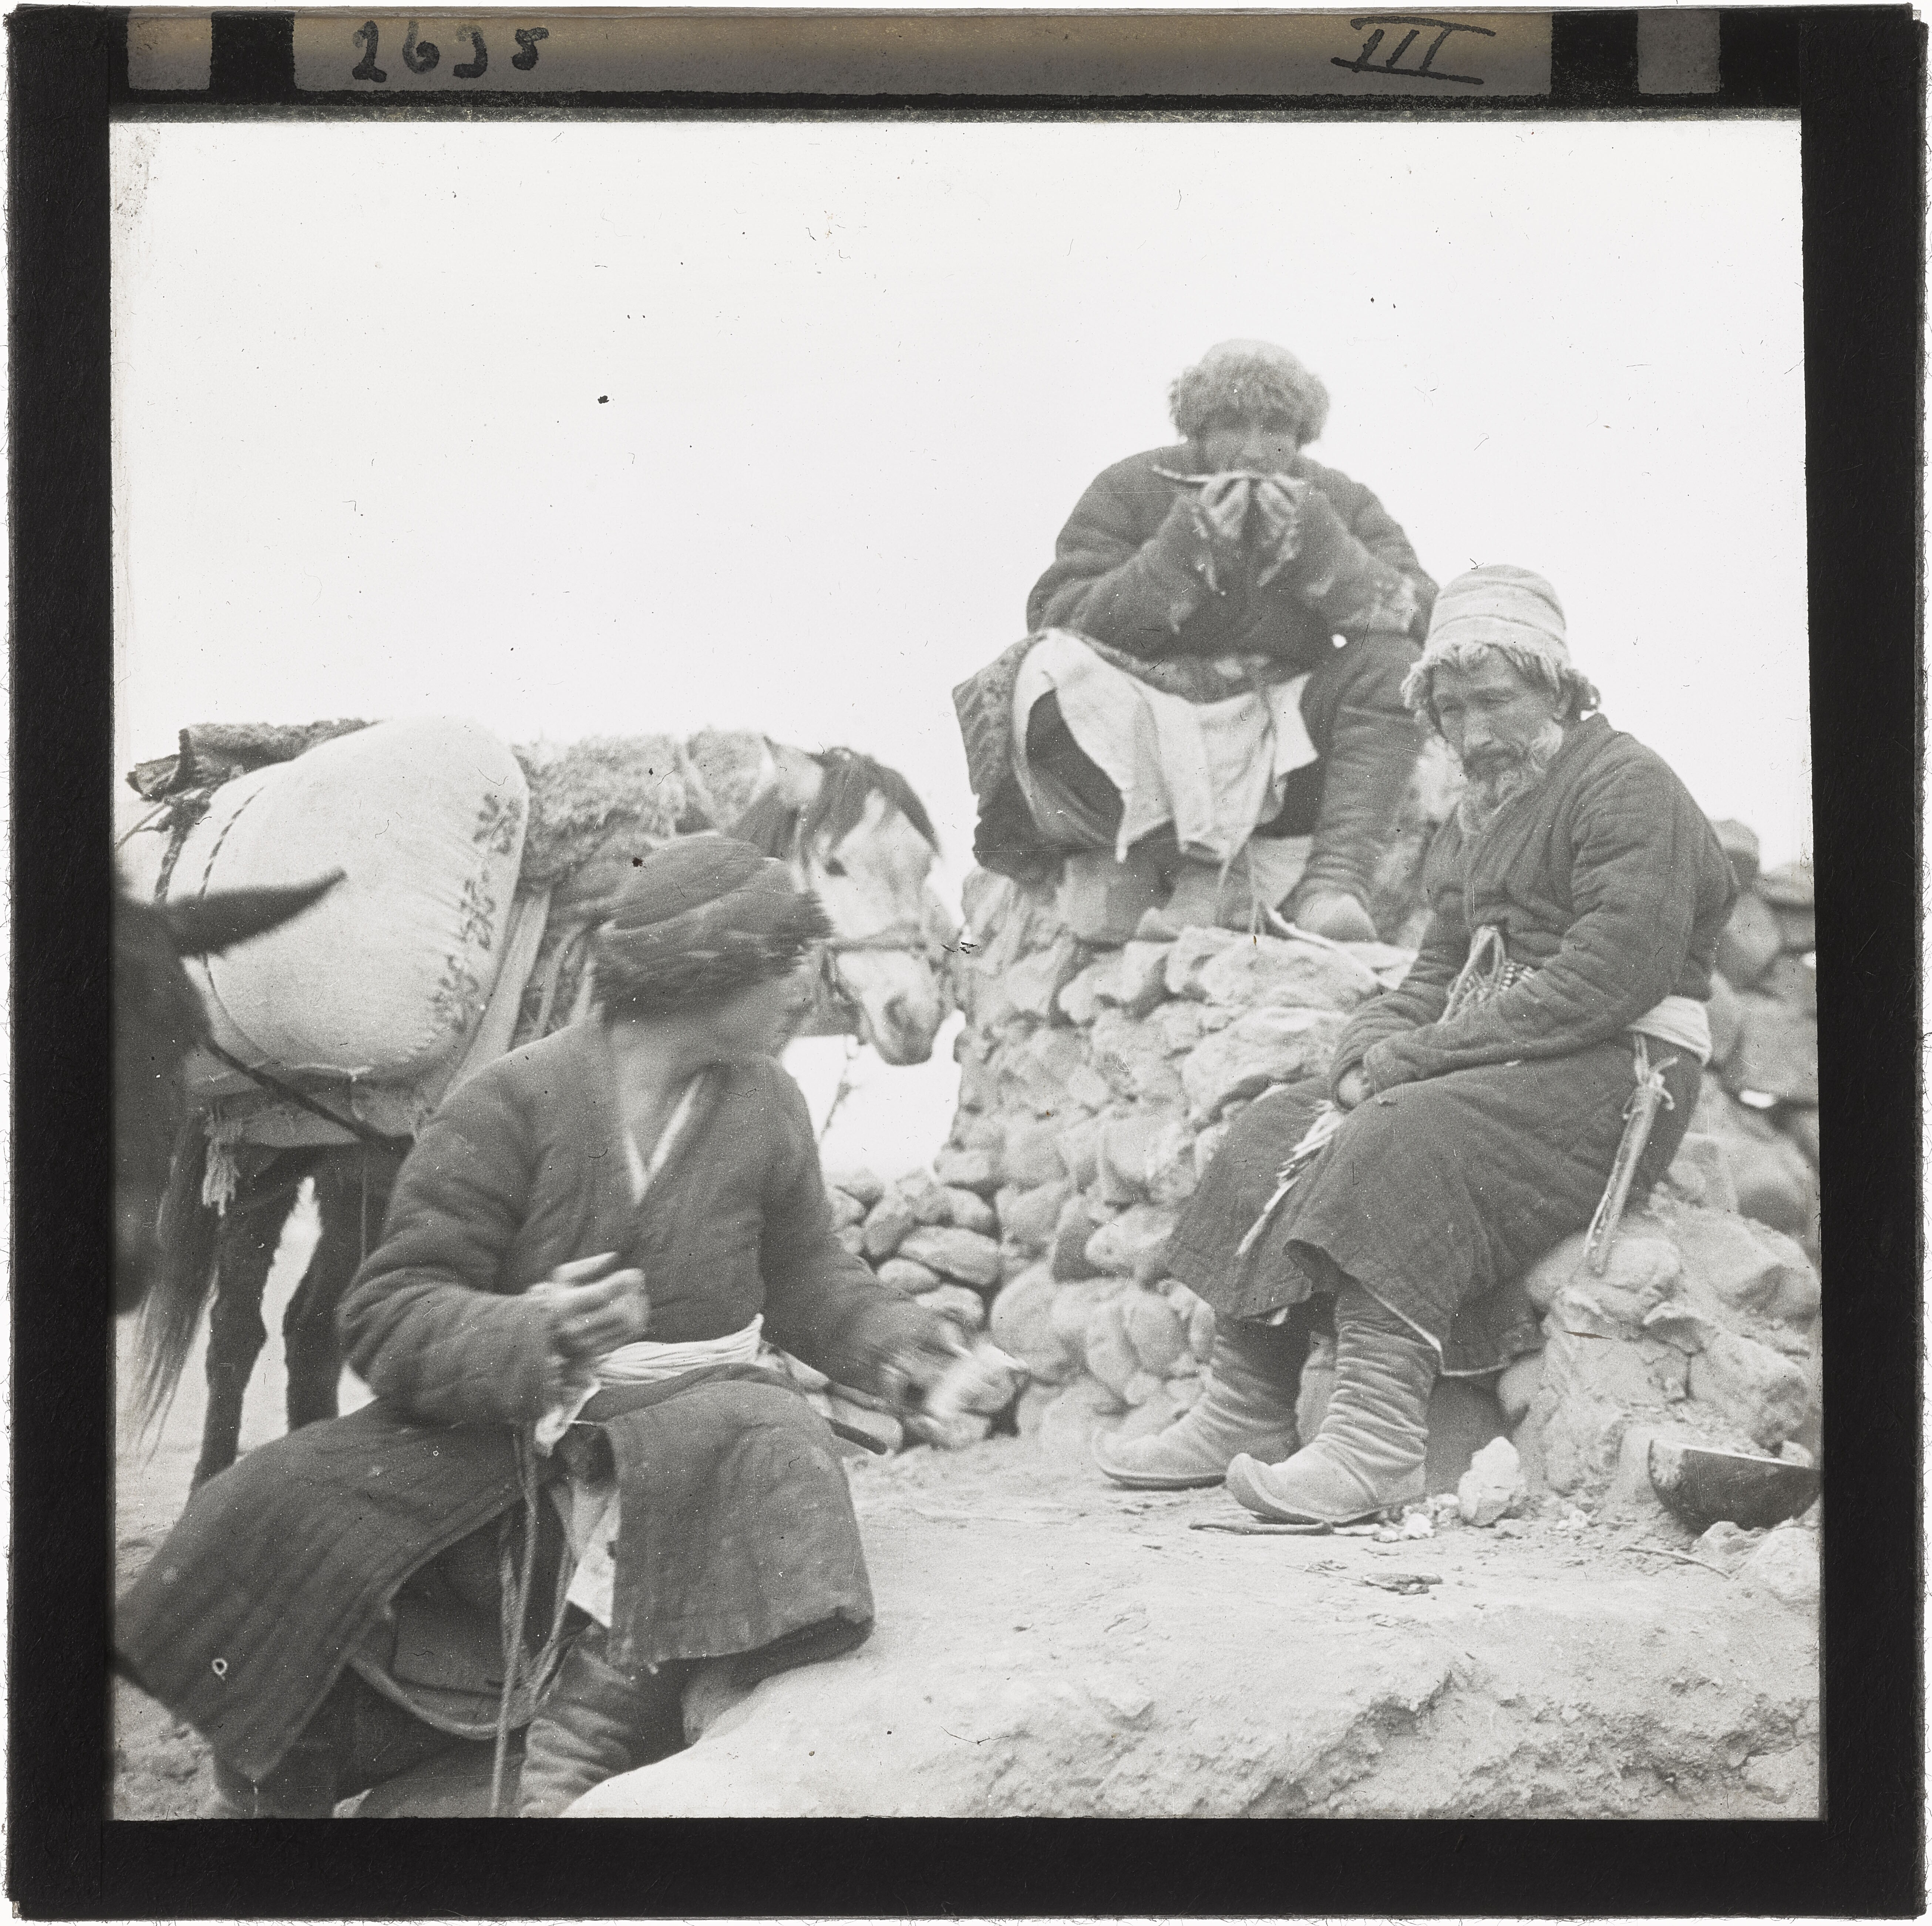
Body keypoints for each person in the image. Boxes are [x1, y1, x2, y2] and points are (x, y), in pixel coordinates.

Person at [117, 835, 999, 1817]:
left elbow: (807, 1277)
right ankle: (277, 1786)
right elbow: (390, 1312)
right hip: (513, 1446)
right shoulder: (510, 1103)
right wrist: (531, 1329)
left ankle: (580, 1744)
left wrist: (906, 1352)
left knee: (763, 1431)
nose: (806, 984)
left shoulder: (768, 1106)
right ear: (707, 973)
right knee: (277, 1499)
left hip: (696, 1443)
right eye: (785, 960)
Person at [1095, 564, 1737, 1518]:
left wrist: (1414, 1061)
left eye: (1495, 700)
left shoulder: (1627, 787)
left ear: (1559, 688)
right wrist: (1367, 1047)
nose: (1473, 733)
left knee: (1403, 1131)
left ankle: (1376, 1445)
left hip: (1615, 1069)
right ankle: (1244, 1409)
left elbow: (1609, 979)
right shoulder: (1476, 815)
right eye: (1450, 709)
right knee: (1277, 1124)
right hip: (1505, 1058)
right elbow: (1435, 970)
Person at [958, 338, 1437, 942]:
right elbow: (1056, 614)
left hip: (1289, 738)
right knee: (1043, 673)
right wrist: (1177, 555)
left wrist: (1329, 556)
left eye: (1276, 428)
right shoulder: (1129, 487)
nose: (1254, 450)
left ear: (1301, 434)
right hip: (1155, 724)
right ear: (1197, 427)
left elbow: (1427, 618)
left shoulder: (1340, 500)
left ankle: (1333, 885)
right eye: (1232, 424)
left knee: (1394, 664)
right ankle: (1184, 874)